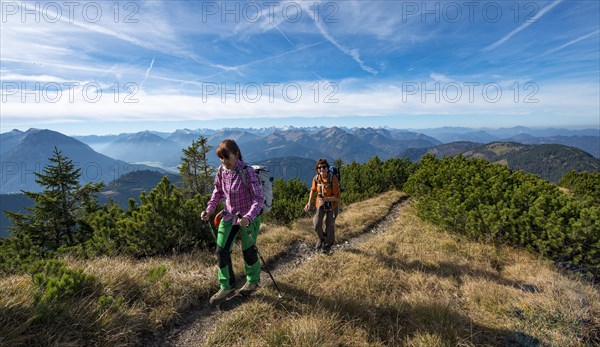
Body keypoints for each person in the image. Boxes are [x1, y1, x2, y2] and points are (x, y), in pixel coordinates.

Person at [201, 139, 264, 306]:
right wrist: (209, 210)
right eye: (221, 158)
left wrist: (248, 217)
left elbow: (259, 199)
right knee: (221, 250)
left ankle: (252, 280)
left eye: (227, 157)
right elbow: (218, 192)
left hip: (247, 218)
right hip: (229, 216)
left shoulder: (247, 171)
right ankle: (226, 286)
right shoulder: (222, 171)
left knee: (248, 250)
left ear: (237, 154)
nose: (224, 162)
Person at [303, 159, 341, 253]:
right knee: (316, 223)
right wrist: (309, 203)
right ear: (317, 169)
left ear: (327, 168)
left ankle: (328, 245)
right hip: (320, 204)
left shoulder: (333, 179)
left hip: (332, 204)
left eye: (324, 167)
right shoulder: (316, 178)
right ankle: (321, 238)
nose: (321, 169)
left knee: (329, 226)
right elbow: (312, 190)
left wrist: (327, 199)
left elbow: (337, 197)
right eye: (319, 167)